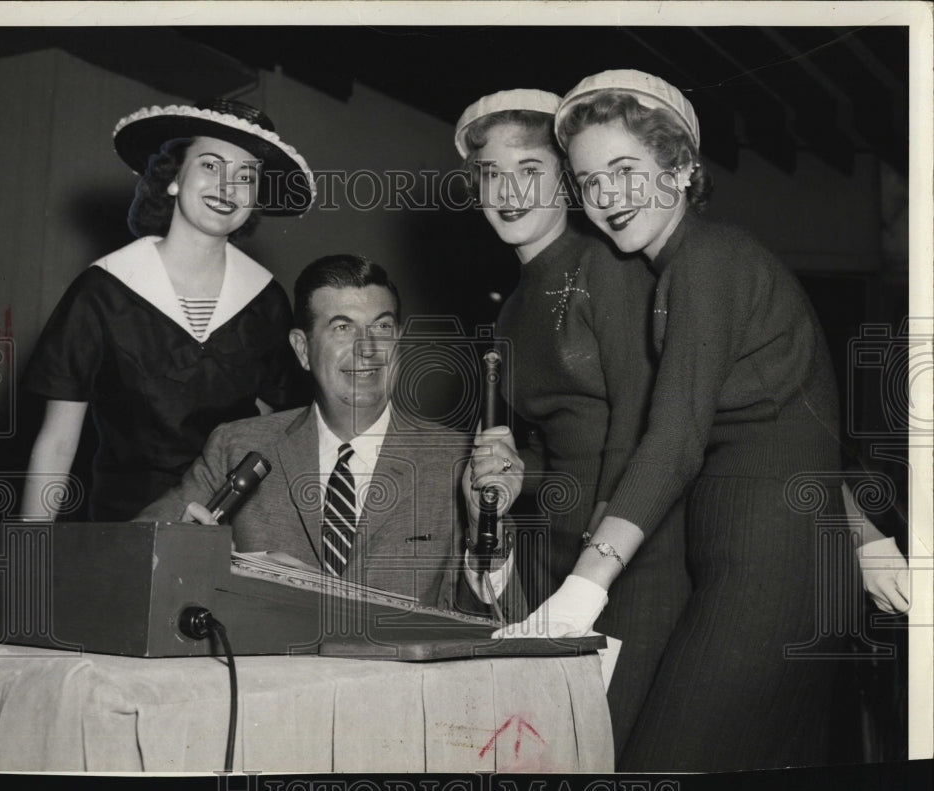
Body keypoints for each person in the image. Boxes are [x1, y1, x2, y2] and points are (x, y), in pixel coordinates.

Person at [498, 69, 858, 771]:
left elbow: (677, 437)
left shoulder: (710, 258)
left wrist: (583, 587)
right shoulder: (675, 274)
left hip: (775, 559)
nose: (608, 198)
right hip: (738, 552)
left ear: (682, 168)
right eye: (590, 181)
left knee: (661, 763)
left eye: (626, 170)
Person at [454, 89, 690, 759]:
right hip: (557, 553)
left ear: (566, 176)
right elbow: (555, 442)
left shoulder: (606, 267)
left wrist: (595, 566)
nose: (508, 191)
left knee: (605, 747)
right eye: (490, 174)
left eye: (529, 170)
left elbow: (647, 421)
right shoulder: (509, 310)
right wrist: (514, 471)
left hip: (634, 557)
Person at [137, 254, 525, 612]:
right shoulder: (237, 447)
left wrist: (482, 530)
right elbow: (131, 554)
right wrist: (182, 555)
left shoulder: (459, 462)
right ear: (302, 349)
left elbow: (505, 625)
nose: (368, 349)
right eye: (342, 327)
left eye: (382, 327)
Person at [20, 98, 313, 522]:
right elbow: (58, 442)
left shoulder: (267, 301)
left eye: (246, 176)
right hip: (124, 528)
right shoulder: (103, 290)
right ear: (173, 177)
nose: (228, 187)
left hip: (228, 527)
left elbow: (273, 436)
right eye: (210, 166)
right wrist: (32, 556)